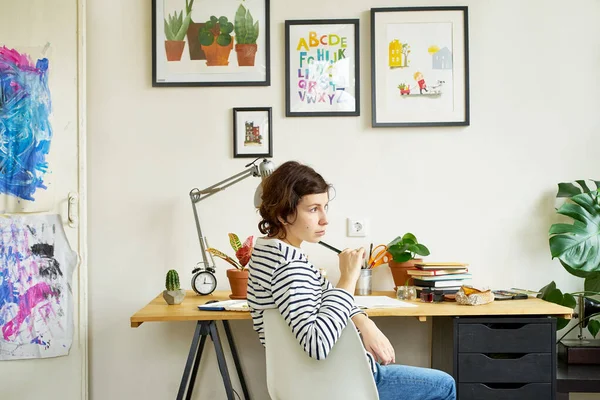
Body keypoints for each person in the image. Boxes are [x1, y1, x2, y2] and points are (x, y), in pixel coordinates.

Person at [247, 161, 456, 400]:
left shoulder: (269, 254)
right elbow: (317, 344)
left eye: (325, 207)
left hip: (316, 381)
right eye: (314, 209)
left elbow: (328, 297)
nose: (325, 219)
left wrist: (365, 323)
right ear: (284, 214)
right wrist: (348, 278)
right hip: (339, 383)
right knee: (444, 385)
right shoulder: (288, 267)